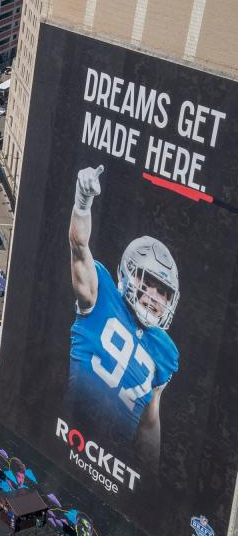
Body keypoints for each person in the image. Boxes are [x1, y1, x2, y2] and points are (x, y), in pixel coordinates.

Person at [68, 165, 179, 463]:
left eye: (164, 292)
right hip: (72, 428)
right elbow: (79, 246)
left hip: (116, 455)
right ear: (129, 274)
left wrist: (148, 477)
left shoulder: (166, 352)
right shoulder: (101, 294)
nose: (156, 297)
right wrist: (82, 203)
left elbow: (150, 421)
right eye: (150, 284)